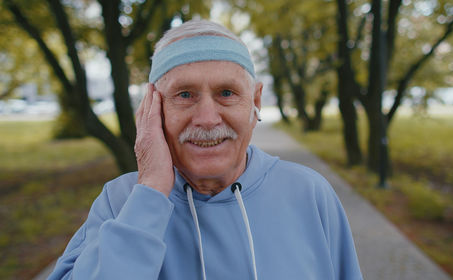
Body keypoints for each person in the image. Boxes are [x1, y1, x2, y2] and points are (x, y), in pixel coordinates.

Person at [48, 19, 363, 280]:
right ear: (153, 108)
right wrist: (152, 189)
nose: (208, 119)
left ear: (255, 103)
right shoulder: (121, 202)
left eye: (226, 92)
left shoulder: (308, 193)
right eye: (185, 95)